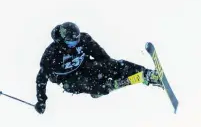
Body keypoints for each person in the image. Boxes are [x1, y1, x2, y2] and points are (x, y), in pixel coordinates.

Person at [34, 22, 163, 114]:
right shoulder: (50, 56)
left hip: (84, 66)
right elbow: (41, 79)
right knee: (84, 83)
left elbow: (101, 56)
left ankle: (147, 74)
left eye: (76, 41)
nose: (75, 44)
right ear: (62, 41)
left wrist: (110, 70)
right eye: (71, 42)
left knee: (112, 65)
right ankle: (100, 88)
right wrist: (41, 100)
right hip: (69, 80)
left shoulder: (83, 40)